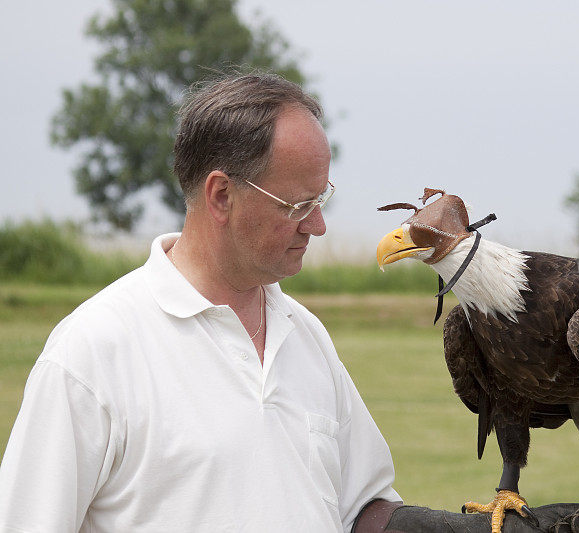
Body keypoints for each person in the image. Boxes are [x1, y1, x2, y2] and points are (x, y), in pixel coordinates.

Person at [0, 72, 401, 532]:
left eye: (321, 199)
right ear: (221, 195)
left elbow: (361, 505)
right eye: (297, 206)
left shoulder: (304, 333)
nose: (318, 226)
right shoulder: (92, 353)